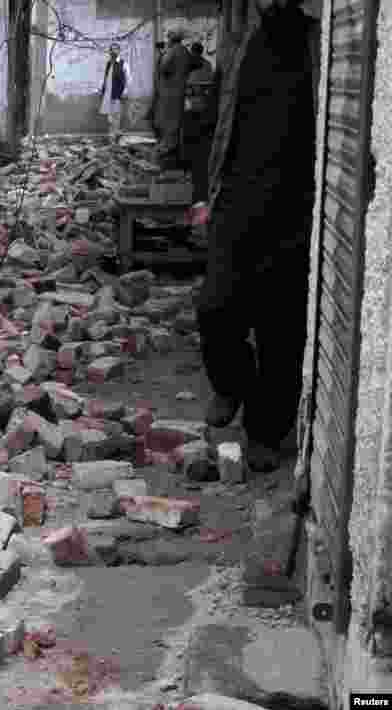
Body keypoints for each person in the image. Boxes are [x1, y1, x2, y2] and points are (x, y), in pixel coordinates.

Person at [196, 0, 321, 472]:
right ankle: (232, 384)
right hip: (236, 200)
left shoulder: (317, 43)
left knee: (282, 329)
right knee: (215, 308)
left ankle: (267, 431)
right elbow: (213, 121)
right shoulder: (240, 40)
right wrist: (201, 194)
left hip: (296, 209)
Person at [182, 42, 218, 202]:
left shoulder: (191, 65)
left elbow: (187, 85)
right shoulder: (208, 65)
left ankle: (190, 164)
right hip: (202, 106)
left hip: (193, 107)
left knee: (193, 139)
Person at [153, 29, 194, 169]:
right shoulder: (185, 51)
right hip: (180, 89)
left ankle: (169, 150)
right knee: (177, 120)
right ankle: (174, 148)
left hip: (170, 91)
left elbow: (164, 68)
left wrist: (162, 57)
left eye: (168, 38)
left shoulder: (171, 52)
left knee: (169, 120)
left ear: (171, 39)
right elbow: (194, 64)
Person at [99, 43, 131, 140]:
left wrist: (125, 90)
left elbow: (128, 78)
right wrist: (102, 89)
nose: (113, 52)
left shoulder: (123, 63)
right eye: (111, 50)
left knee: (116, 115)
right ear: (110, 52)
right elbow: (106, 77)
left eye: (115, 49)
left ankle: (114, 136)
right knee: (110, 116)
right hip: (108, 93)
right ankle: (111, 135)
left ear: (119, 51)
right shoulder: (109, 63)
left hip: (117, 93)